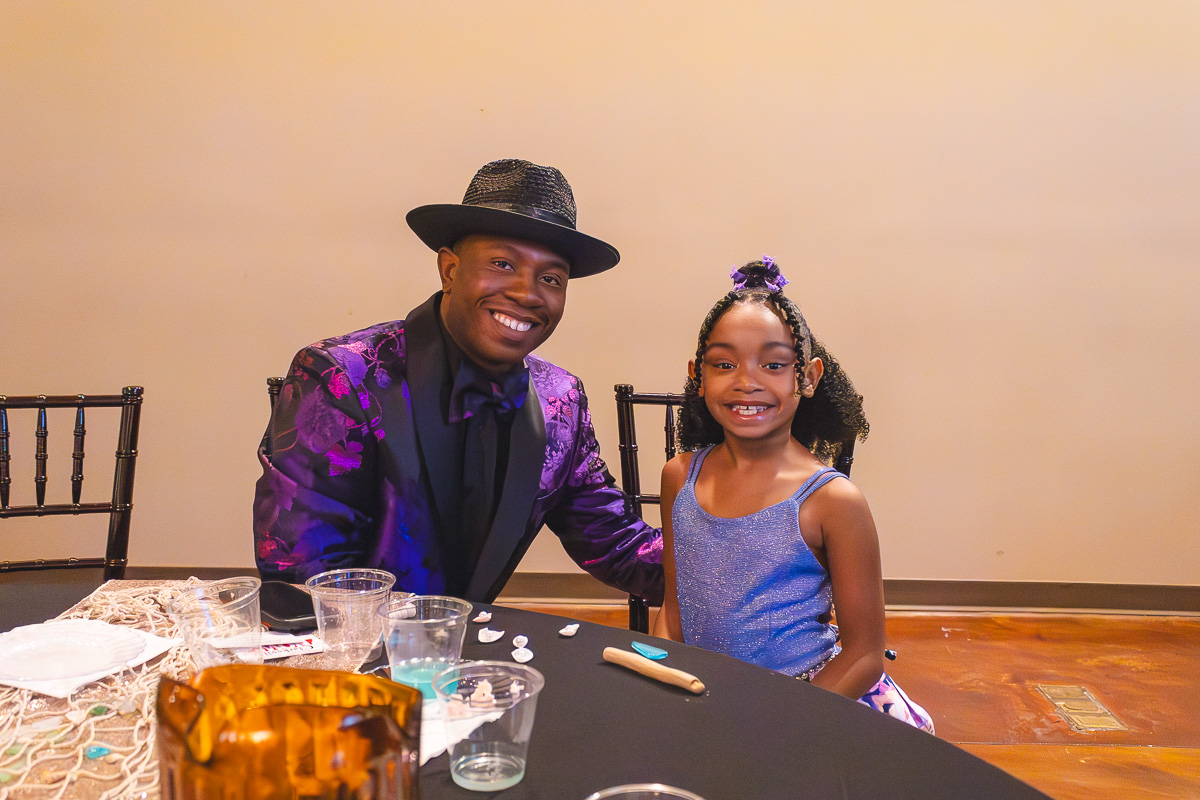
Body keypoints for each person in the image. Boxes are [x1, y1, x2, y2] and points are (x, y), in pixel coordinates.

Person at [253, 159, 662, 605]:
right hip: (351, 643)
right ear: (449, 270)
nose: (527, 293)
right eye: (503, 263)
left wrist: (720, 555)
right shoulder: (342, 375)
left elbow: (616, 543)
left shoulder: (560, 399)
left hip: (469, 643)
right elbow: (306, 572)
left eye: (550, 278)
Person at [653, 257, 933, 731]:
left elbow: (865, 655)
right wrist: (661, 685)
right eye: (724, 364)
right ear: (698, 375)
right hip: (705, 700)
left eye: (774, 364)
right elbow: (674, 611)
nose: (746, 381)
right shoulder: (679, 477)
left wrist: (777, 726)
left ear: (808, 376)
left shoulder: (832, 500)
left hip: (807, 705)